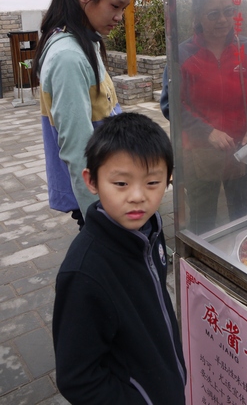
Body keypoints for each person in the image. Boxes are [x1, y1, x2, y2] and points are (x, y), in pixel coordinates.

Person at [52, 112, 186, 405]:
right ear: (92, 180)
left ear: (168, 178)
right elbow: (77, 377)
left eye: (152, 183)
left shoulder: (150, 229)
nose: (138, 196)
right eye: (121, 184)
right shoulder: (84, 274)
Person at [161, 0, 247, 234]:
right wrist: (207, 132)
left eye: (228, 12)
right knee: (203, 224)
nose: (223, 20)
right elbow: (171, 103)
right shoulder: (182, 56)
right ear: (198, 16)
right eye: (213, 14)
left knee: (245, 221)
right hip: (199, 155)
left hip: (243, 152)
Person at [31, 0, 134, 228]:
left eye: (123, 8)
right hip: (98, 196)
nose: (118, 17)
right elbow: (77, 147)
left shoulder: (82, 39)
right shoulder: (68, 56)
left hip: (107, 184)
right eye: (115, 6)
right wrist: (99, 217)